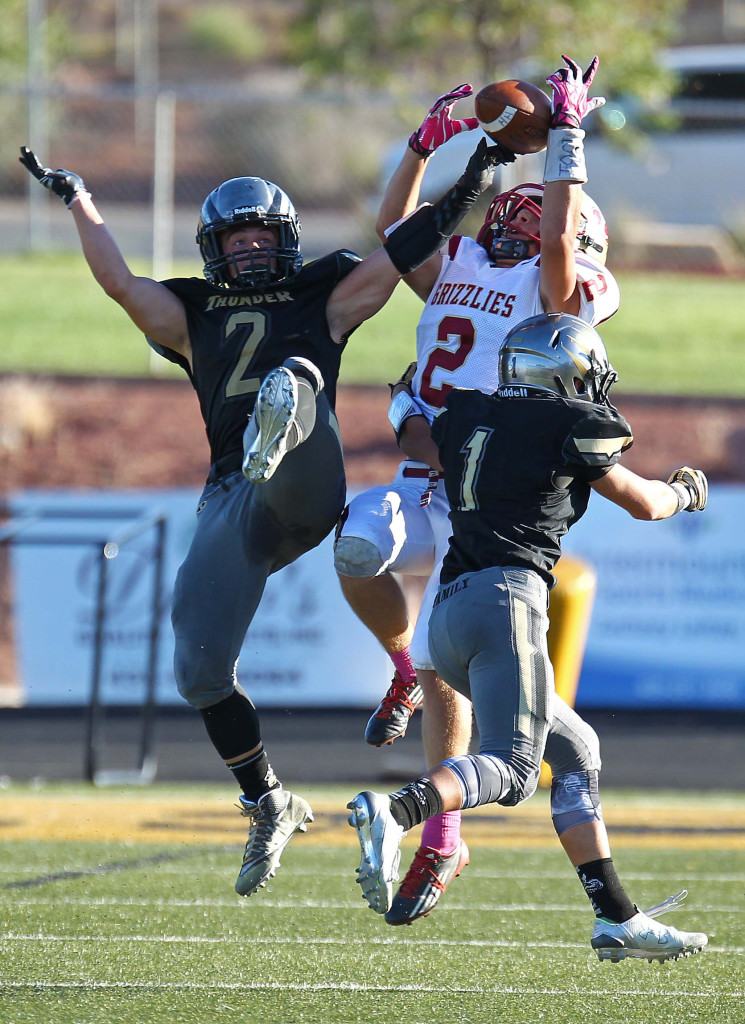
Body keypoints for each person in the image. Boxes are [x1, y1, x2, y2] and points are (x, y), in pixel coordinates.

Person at [19, 135, 507, 897]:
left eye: (261, 235)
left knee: (296, 376)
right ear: (213, 249)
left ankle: (281, 416)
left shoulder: (325, 293)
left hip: (303, 483)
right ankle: (268, 800)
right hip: (233, 499)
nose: (249, 247)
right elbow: (117, 281)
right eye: (235, 237)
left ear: (285, 241)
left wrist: (473, 176)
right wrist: (77, 198)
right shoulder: (190, 310)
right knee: (199, 672)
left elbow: (403, 245)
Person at [334, 57, 619, 924]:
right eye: (511, 208)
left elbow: (563, 248)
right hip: (424, 482)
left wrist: (567, 140)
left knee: (455, 657)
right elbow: (395, 232)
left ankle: (439, 837)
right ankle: (399, 672)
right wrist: (426, 147)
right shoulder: (458, 257)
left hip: (484, 500)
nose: (510, 216)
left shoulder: (561, 287)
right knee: (355, 544)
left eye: (526, 211)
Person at [347, 311, 709, 963]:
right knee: (514, 771)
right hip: (506, 600)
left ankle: (615, 917)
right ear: (565, 370)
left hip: (450, 615)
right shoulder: (572, 422)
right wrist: (684, 493)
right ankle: (398, 811)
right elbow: (644, 503)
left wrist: (402, 397)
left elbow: (415, 436)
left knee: (575, 751)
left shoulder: (465, 414)